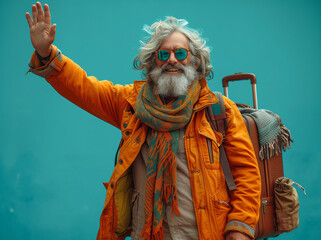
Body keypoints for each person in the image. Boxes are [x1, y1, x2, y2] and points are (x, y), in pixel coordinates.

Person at [26, 2, 261, 240]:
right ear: (152, 62)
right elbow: (84, 87)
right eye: (163, 54)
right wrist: (47, 53)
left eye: (180, 53)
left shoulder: (218, 110)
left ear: (196, 62)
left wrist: (240, 227)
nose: (172, 60)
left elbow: (247, 175)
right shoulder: (130, 104)